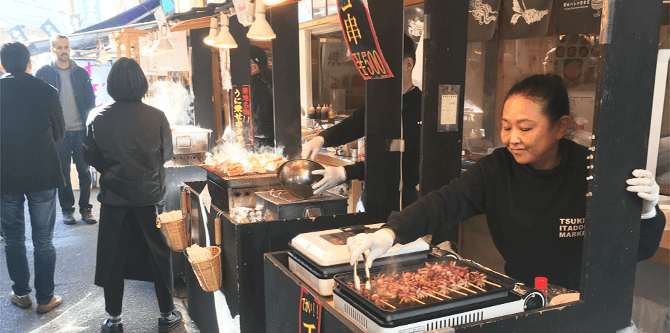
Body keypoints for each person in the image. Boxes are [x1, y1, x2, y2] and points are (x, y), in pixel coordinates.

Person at [347, 74, 666, 292]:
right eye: (506, 126)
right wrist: (389, 234)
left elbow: (638, 249)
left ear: (560, 127)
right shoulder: (496, 170)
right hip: (522, 292)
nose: (512, 139)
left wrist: (646, 212)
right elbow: (444, 202)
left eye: (525, 128)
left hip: (585, 299)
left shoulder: (593, 169)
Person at [82, 58, 181, 333]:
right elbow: (165, 156)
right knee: (158, 254)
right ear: (141, 83)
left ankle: (114, 321)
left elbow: (91, 158)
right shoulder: (157, 116)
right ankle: (166, 315)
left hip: (114, 198)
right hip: (149, 198)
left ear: (111, 85)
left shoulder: (97, 117)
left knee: (113, 256)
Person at [302, 34, 422, 209]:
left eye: (385, 64)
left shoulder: (419, 105)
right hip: (371, 191)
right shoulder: (380, 100)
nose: (379, 71)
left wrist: (345, 172)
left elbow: (401, 161)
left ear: (408, 65)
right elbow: (355, 124)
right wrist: (322, 138)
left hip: (402, 199)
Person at [1, 42, 66, 313]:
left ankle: (21, 293)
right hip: (43, 172)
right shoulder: (47, 91)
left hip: (6, 175)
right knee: (43, 239)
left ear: (3, 64)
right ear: (29, 63)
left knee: (14, 237)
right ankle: (45, 298)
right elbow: (60, 132)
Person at [35, 34, 97, 225]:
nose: (64, 51)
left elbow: (90, 101)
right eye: (60, 47)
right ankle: (67, 210)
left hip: (80, 130)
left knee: (84, 171)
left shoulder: (80, 73)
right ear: (52, 49)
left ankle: (86, 209)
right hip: (59, 133)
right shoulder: (43, 73)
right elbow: (39, 105)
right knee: (63, 174)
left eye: (66, 47)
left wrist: (89, 124)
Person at [249, 44, 275, 149]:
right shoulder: (266, 81)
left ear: (254, 67)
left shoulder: (258, 86)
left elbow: (262, 122)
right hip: (268, 141)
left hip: (264, 144)